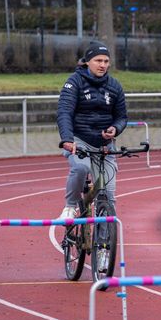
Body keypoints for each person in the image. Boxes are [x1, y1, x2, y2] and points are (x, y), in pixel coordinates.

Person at [57, 41, 128, 219]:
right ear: (87, 61)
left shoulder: (115, 86)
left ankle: (103, 245)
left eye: (106, 61)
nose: (103, 65)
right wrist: (67, 139)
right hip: (79, 139)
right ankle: (70, 206)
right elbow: (64, 112)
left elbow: (122, 117)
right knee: (81, 168)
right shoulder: (74, 82)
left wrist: (115, 128)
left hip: (105, 144)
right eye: (98, 60)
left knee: (109, 197)